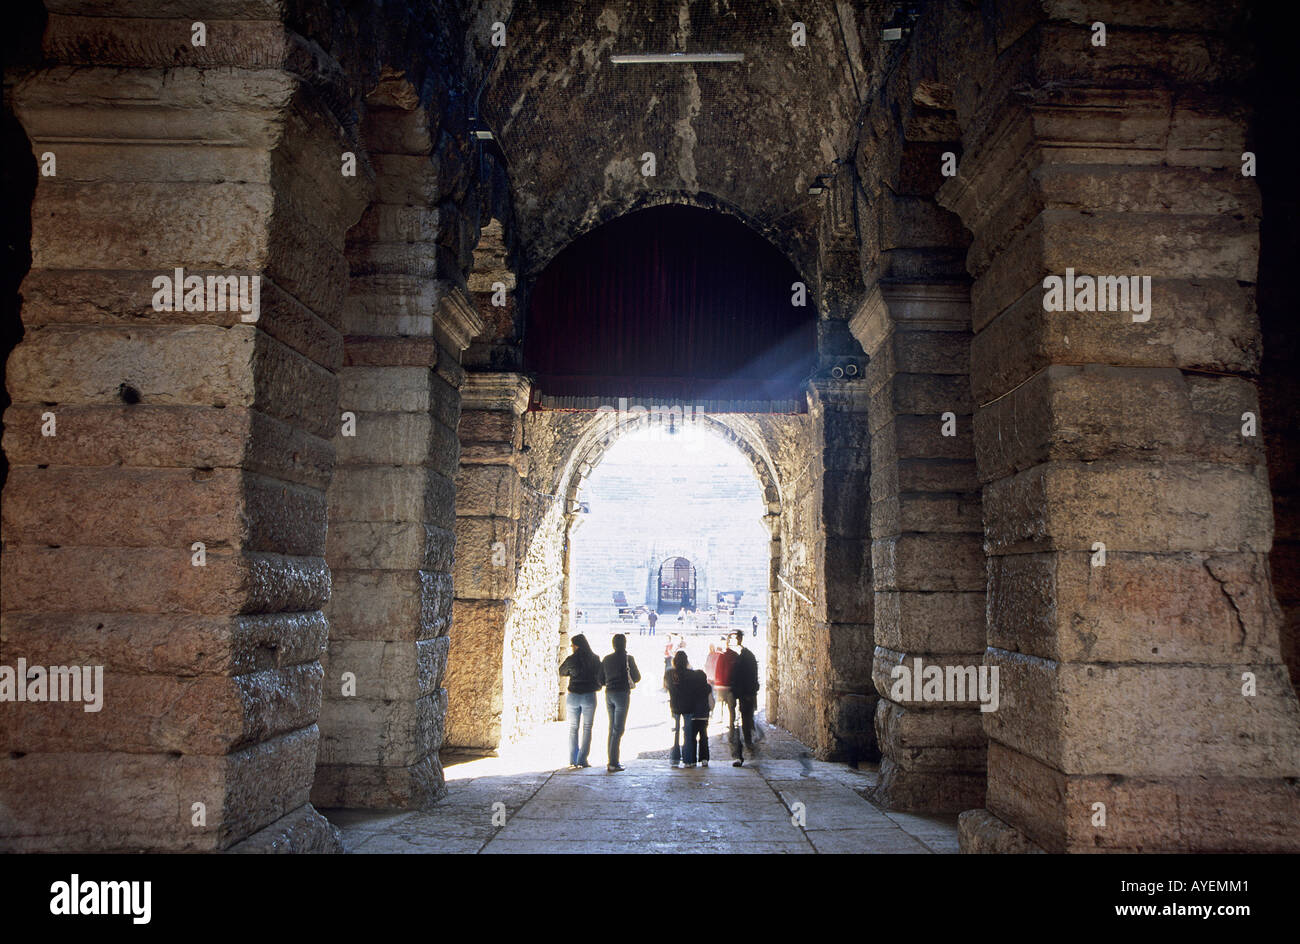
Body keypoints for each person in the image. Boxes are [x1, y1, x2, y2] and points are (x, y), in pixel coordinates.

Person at [597, 634, 640, 772]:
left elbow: (600, 679)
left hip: (609, 693)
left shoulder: (606, 659)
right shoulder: (628, 658)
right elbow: (637, 677)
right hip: (622, 694)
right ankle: (614, 763)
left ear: (613, 644)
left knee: (612, 728)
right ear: (625, 644)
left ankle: (610, 759)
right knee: (618, 729)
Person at [558, 634, 602, 769]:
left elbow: (562, 671)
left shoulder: (571, 659)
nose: (571, 647)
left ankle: (573, 759)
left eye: (572, 645)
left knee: (573, 728)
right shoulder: (595, 659)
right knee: (587, 728)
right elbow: (600, 675)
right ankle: (583, 759)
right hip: (589, 695)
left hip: (573, 696)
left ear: (576, 646)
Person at [663, 650, 711, 768]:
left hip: (674, 706)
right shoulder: (692, 674)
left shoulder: (669, 673)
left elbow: (666, 687)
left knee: (676, 733)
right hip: (689, 707)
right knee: (688, 735)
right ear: (686, 661)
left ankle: (674, 759)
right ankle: (688, 760)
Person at [728, 629, 761, 766]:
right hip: (740, 694)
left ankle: (743, 750)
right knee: (741, 723)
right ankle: (743, 750)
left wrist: (749, 693)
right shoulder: (742, 656)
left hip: (743, 694)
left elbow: (751, 677)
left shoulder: (746, 657)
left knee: (743, 723)